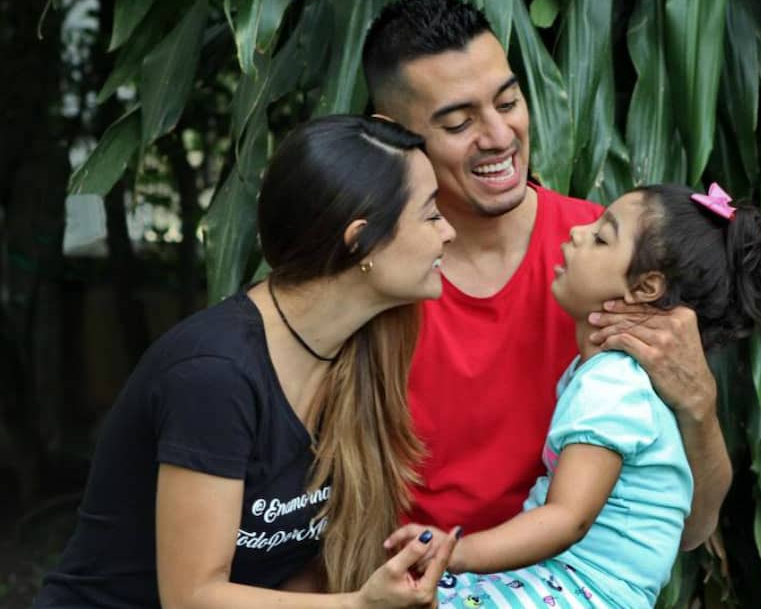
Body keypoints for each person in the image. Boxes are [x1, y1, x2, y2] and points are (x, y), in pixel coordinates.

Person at [34, 115, 459, 608]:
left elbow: (290, 567)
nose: (448, 232)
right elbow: (192, 598)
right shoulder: (214, 375)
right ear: (360, 239)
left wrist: (386, 574)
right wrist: (358, 605)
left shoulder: (355, 352)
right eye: (430, 215)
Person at [361, 0, 732, 547]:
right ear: (392, 135)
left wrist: (698, 405)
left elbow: (688, 529)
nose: (498, 136)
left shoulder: (614, 264)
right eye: (460, 122)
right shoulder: (367, 272)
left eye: (508, 101)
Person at [388, 183, 761, 608]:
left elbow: (568, 517)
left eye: (600, 237)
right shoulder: (623, 376)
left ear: (647, 287)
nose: (578, 232)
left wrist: (456, 552)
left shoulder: (612, 384)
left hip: (578, 589)